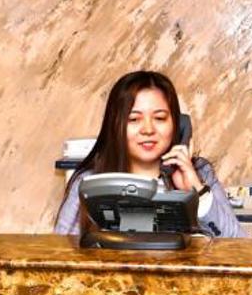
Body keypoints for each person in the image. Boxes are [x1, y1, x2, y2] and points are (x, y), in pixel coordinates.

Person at [53, 70, 241, 237]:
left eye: (159, 118)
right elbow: (60, 258)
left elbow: (240, 248)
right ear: (115, 126)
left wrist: (197, 192)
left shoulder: (200, 172)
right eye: (134, 119)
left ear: (177, 124)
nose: (148, 129)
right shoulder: (90, 181)